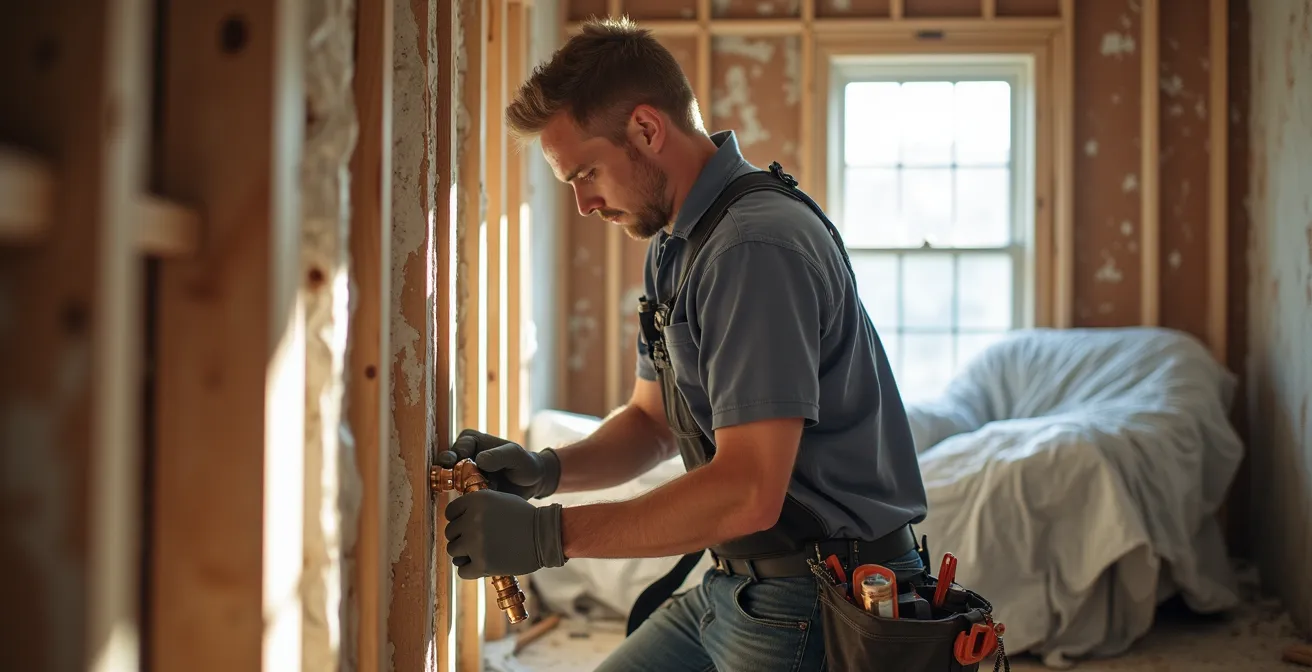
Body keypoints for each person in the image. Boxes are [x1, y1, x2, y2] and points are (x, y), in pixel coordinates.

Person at [438, 17, 929, 672]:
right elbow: (651, 424)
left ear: (646, 128)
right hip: (737, 582)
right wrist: (545, 470)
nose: (584, 203)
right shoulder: (676, 243)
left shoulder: (754, 247)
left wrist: (548, 536)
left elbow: (749, 489)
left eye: (586, 172)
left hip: (815, 599)